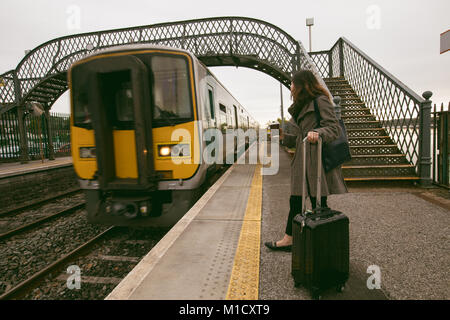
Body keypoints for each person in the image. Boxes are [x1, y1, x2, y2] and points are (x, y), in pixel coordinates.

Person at [265, 70, 348, 252]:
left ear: (303, 84)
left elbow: (333, 128)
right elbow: (296, 136)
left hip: (316, 159)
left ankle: (316, 239)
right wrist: (280, 137)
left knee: (318, 202)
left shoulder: (320, 100)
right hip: (302, 160)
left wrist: (318, 133)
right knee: (297, 201)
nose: (291, 87)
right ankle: (296, 238)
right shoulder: (300, 105)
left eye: (293, 84)